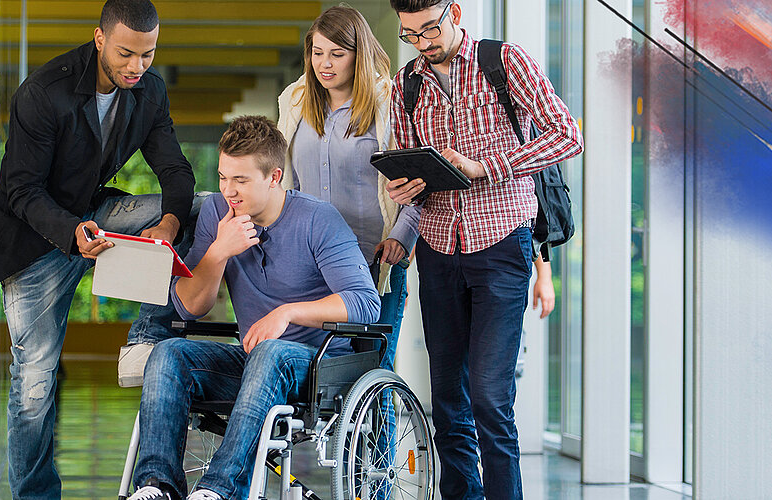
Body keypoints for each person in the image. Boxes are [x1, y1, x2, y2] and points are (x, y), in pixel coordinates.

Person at [0, 1, 199, 497]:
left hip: (98, 220)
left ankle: (146, 336)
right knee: (35, 383)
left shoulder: (149, 93)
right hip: (36, 239)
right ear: (99, 39)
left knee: (200, 205)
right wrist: (72, 233)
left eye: (148, 54)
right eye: (125, 54)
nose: (137, 67)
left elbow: (175, 170)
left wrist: (169, 223)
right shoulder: (43, 93)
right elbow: (21, 190)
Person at [386, 1, 584, 499]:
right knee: (448, 399)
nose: (423, 43)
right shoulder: (407, 83)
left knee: (491, 400)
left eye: (430, 28)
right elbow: (416, 163)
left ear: (454, 11)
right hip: (436, 247)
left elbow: (567, 135)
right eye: (411, 34)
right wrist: (407, 185)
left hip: (501, 245)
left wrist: (484, 166)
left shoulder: (504, 61)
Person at [129, 115, 380, 500]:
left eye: (241, 180)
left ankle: (218, 491)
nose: (228, 190)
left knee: (271, 352)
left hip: (318, 369)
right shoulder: (217, 213)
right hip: (254, 367)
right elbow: (189, 307)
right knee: (167, 353)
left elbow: (365, 303)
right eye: (223, 177)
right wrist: (218, 251)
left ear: (274, 177)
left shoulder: (318, 219)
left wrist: (287, 313)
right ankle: (156, 487)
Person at [277, 4, 418, 377]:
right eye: (318, 52)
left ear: (360, 54)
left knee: (374, 370)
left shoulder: (389, 104)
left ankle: (380, 440)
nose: (325, 63)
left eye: (337, 54)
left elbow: (420, 183)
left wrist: (403, 238)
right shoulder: (294, 102)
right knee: (318, 370)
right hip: (309, 261)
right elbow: (281, 180)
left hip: (374, 258)